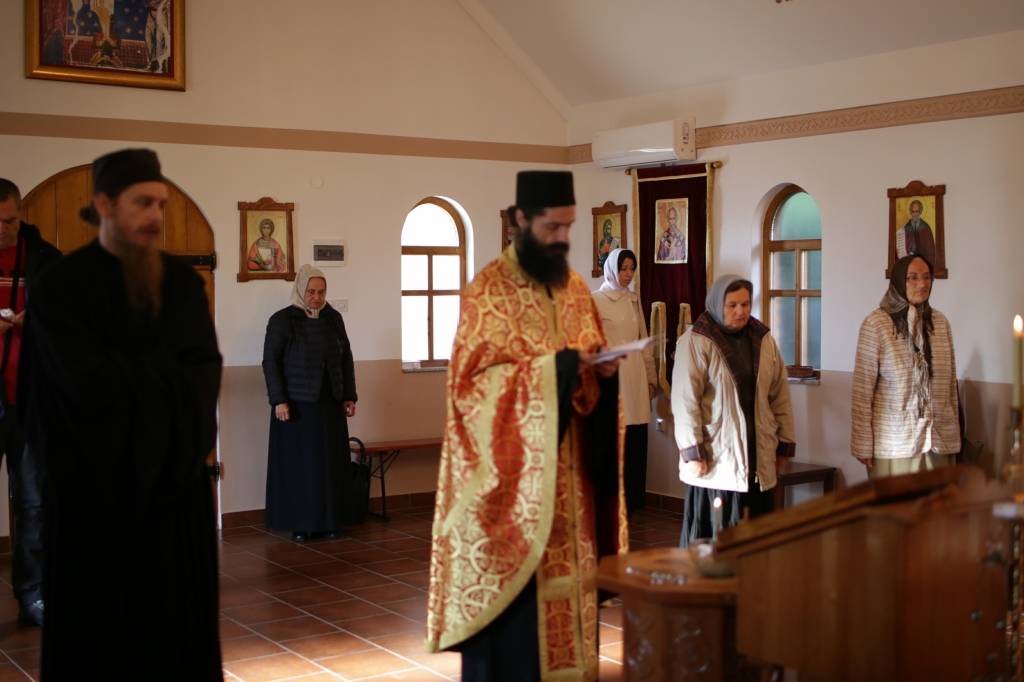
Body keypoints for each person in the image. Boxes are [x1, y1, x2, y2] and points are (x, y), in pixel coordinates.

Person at [19, 149, 223, 679]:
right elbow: (75, 391)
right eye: (142, 202)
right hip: (91, 505)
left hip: (173, 504)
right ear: (105, 205)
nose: (155, 215)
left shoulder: (181, 285)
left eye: (160, 203)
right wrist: (161, 373)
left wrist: (124, 370)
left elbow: (201, 380)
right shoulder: (59, 289)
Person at [425, 171, 627, 682]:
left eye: (569, 227)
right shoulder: (487, 292)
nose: (563, 238)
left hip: (572, 495)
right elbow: (469, 391)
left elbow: (588, 369)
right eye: (552, 227)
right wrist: (558, 369)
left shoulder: (575, 288)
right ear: (521, 220)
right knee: (514, 647)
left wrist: (597, 373)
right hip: (511, 498)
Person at [671, 275, 795, 547]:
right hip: (716, 459)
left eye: (745, 304)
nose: (740, 311)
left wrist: (784, 444)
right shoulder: (696, 341)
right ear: (717, 304)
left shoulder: (763, 339)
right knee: (713, 547)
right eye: (732, 305)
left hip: (757, 456)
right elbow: (685, 403)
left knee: (755, 545)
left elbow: (780, 396)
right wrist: (693, 453)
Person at [0, 179, 61, 626]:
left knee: (34, 502)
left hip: (31, 399)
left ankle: (32, 597)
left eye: (10, 219)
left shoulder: (44, 258)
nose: (4, 228)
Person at [263, 264, 357, 542]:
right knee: (300, 467)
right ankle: (300, 524)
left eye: (321, 291)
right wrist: (279, 400)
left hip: (329, 403)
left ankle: (330, 521)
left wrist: (349, 395)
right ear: (300, 289)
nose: (316, 297)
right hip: (296, 406)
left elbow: (345, 358)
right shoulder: (282, 320)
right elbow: (271, 363)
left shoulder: (333, 318)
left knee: (329, 466)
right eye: (311, 291)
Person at [852, 254, 959, 477]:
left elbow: (950, 387)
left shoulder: (940, 323)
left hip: (938, 441)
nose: (922, 284)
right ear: (899, 281)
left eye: (927, 277)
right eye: (913, 278)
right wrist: (862, 444)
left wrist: (953, 436)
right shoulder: (876, 325)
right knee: (895, 501)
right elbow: (862, 392)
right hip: (894, 445)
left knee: (941, 499)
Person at [592, 248, 657, 514]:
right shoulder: (595, 299)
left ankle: (633, 501)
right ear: (611, 269)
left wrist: (651, 378)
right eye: (623, 268)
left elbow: (643, 339)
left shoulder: (633, 298)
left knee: (635, 438)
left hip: (636, 376)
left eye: (632, 268)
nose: (628, 274)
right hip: (611, 376)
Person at [895, 199, 936, 267]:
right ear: (910, 212)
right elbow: (902, 250)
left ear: (920, 212)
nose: (915, 215)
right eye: (913, 212)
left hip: (922, 263)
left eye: (917, 212)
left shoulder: (926, 228)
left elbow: (931, 252)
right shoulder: (906, 228)